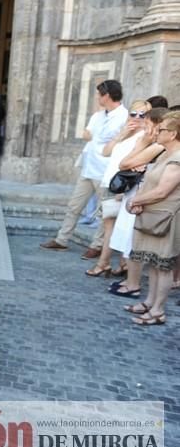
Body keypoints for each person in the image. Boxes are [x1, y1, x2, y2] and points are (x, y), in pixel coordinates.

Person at [41, 80, 128, 256]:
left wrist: (95, 135)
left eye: (99, 94)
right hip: (89, 166)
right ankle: (61, 239)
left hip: (106, 170)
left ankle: (97, 245)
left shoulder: (123, 116)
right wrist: (94, 135)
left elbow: (105, 136)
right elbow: (86, 134)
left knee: (104, 211)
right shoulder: (98, 115)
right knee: (74, 205)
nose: (97, 97)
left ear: (107, 95)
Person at [124, 112, 180, 326]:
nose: (157, 131)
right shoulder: (166, 154)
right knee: (154, 264)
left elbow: (162, 191)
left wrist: (135, 200)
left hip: (166, 218)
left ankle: (158, 311)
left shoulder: (177, 158)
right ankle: (149, 302)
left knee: (163, 266)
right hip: (153, 215)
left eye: (162, 129)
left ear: (173, 133)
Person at [86, 100, 151, 278]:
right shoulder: (128, 133)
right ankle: (120, 264)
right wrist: (122, 134)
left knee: (113, 228)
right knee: (111, 227)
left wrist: (124, 192)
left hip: (124, 187)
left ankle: (104, 264)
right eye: (133, 113)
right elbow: (106, 152)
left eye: (142, 115)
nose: (137, 118)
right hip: (110, 183)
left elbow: (139, 165)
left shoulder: (145, 137)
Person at [109, 108, 169, 299]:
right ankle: (130, 281)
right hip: (137, 194)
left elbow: (124, 163)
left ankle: (133, 284)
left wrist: (141, 144)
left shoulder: (158, 146)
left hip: (143, 196)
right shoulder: (154, 144)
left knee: (132, 240)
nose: (145, 126)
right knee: (129, 239)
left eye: (148, 123)